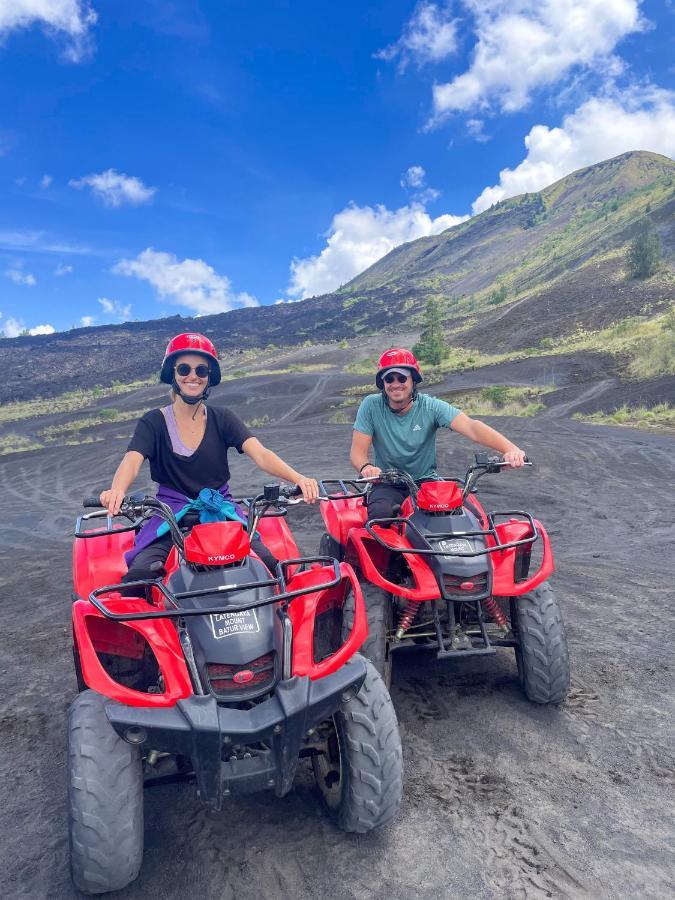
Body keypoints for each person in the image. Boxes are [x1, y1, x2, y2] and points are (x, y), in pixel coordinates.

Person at [100, 332, 319, 585]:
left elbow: (260, 454)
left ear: (209, 377)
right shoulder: (154, 422)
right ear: (173, 375)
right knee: (139, 577)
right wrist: (117, 490)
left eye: (201, 371)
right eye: (184, 368)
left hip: (221, 511)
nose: (192, 376)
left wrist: (299, 478)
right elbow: (132, 459)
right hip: (172, 516)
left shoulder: (223, 418)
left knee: (272, 570)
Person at [350, 348, 526, 520]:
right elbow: (358, 454)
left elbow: (472, 427)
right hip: (387, 483)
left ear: (413, 381)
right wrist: (366, 468)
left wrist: (510, 449)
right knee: (381, 516)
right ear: (383, 383)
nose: (396, 384)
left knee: (472, 518)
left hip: (427, 482)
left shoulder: (430, 406)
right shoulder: (371, 406)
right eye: (389, 378)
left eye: (402, 378)